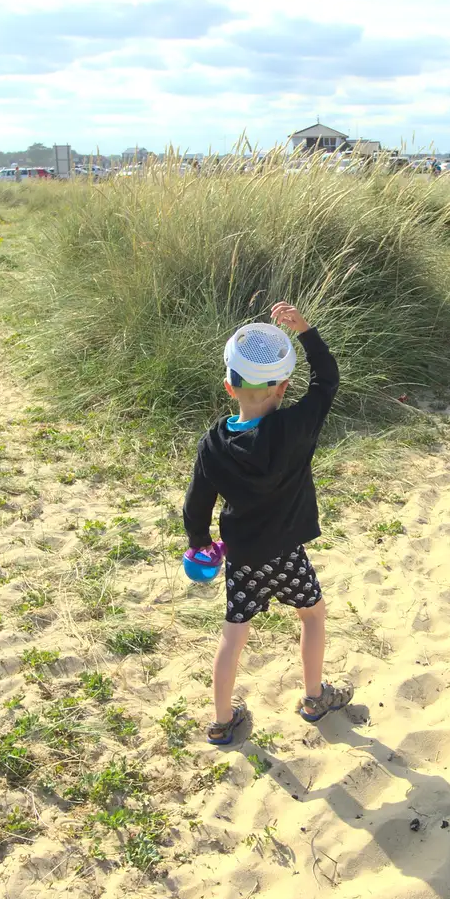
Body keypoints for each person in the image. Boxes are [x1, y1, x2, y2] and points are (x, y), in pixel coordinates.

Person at [183, 301, 355, 745]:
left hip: (242, 557)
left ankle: (222, 721)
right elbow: (327, 381)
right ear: (283, 388)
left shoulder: (213, 443)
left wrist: (199, 541)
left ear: (229, 386)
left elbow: (197, 502)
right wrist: (306, 332)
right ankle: (314, 698)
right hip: (285, 553)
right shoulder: (295, 427)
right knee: (312, 615)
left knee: (233, 636)